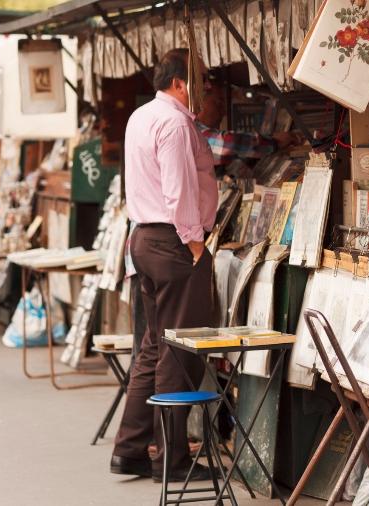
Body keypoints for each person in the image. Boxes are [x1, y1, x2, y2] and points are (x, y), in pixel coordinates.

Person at [111, 48, 219, 482]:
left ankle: (131, 447)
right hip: (173, 241)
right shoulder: (174, 122)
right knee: (178, 348)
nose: (206, 92)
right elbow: (177, 190)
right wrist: (195, 245)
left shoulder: (141, 116)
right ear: (180, 82)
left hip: (145, 238)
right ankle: (170, 459)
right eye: (202, 83)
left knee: (155, 347)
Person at [193, 78, 301, 168]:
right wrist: (274, 142)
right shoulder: (191, 131)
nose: (223, 111)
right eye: (218, 103)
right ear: (199, 103)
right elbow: (229, 143)